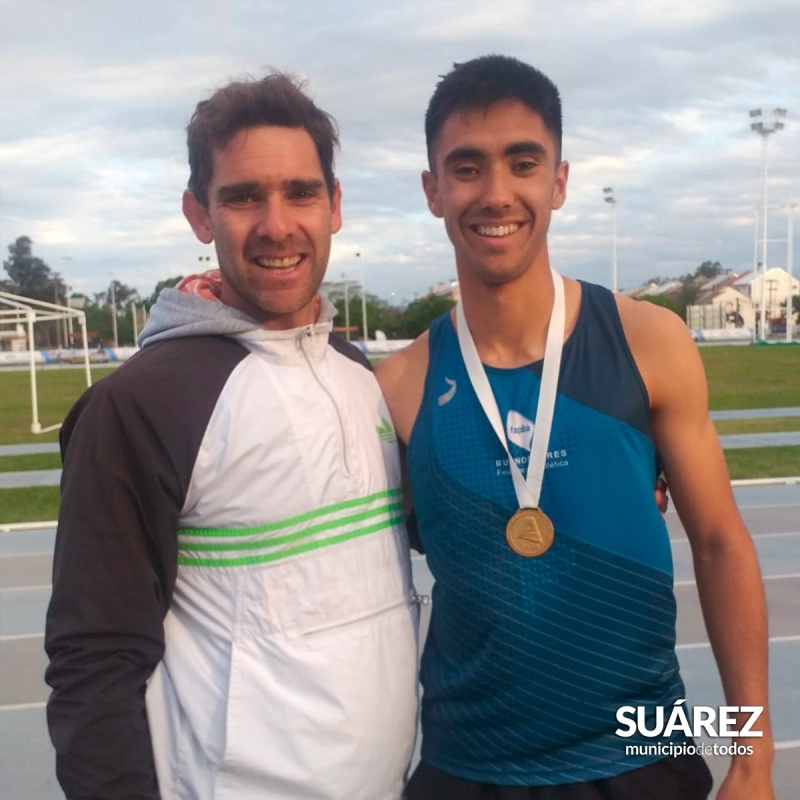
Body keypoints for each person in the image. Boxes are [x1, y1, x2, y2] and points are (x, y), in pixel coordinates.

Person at [377, 55, 773, 800]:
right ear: (432, 190)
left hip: (642, 749)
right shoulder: (397, 385)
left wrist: (752, 758)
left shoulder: (648, 341)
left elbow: (721, 543)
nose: (496, 193)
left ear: (558, 180)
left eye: (522, 162)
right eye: (466, 168)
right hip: (468, 768)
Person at [45, 72, 419, 800]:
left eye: (301, 193)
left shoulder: (353, 369)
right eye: (244, 196)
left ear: (335, 206)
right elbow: (93, 662)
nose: (277, 225)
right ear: (198, 213)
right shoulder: (139, 403)